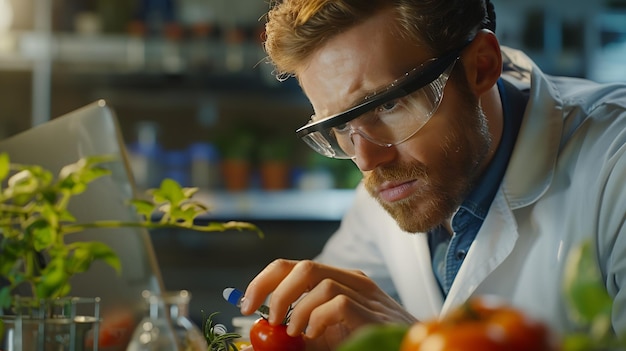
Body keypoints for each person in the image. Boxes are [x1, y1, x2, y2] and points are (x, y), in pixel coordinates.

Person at [237, 0, 626, 350]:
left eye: (388, 104)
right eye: (340, 126)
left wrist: (421, 344)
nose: (366, 160)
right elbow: (323, 319)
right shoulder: (392, 183)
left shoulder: (615, 166)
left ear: (481, 66)